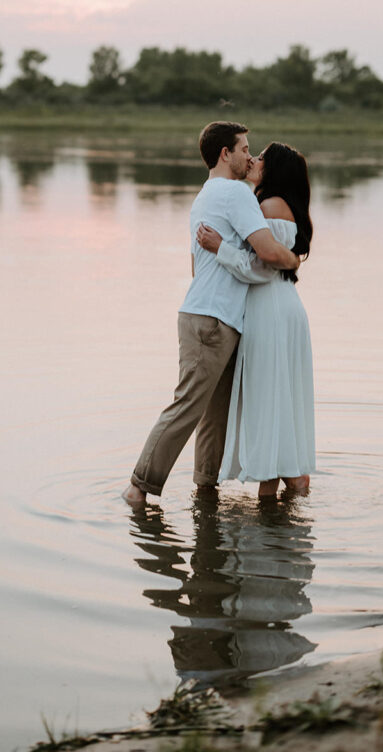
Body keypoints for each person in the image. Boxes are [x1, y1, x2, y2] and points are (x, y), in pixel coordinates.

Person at [122, 122, 300, 506]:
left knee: (211, 414)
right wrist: (292, 258)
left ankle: (206, 488)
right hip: (212, 319)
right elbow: (268, 253)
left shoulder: (205, 196)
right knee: (188, 406)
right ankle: (138, 486)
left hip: (212, 316)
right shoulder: (235, 193)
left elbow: (194, 266)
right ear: (226, 153)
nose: (249, 156)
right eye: (244, 148)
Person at [196, 142, 315, 498]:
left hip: (271, 308)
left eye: (261, 157)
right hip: (280, 306)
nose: (253, 159)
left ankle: (287, 485)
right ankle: (284, 489)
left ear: (273, 170)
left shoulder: (268, 206)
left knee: (268, 396)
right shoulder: (271, 204)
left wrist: (221, 249)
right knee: (275, 396)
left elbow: (263, 266)